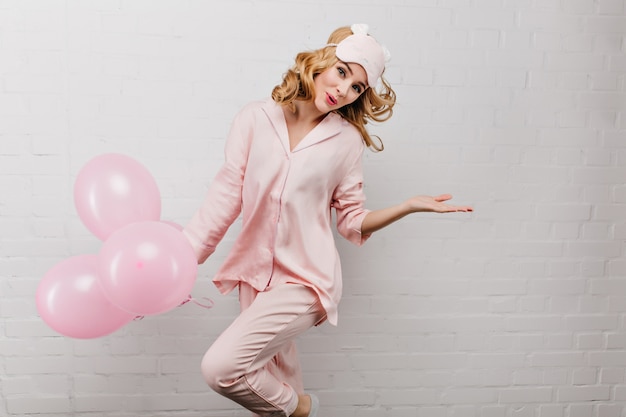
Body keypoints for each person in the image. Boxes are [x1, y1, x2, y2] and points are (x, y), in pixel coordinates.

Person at [183, 23, 473, 417]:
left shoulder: (346, 140)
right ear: (321, 62)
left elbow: (352, 219)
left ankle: (302, 408)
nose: (344, 90)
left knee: (222, 368)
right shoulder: (254, 119)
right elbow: (227, 194)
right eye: (342, 72)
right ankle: (296, 403)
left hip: (306, 280)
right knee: (269, 379)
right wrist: (182, 260)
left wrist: (408, 206)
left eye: (357, 87)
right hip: (255, 277)